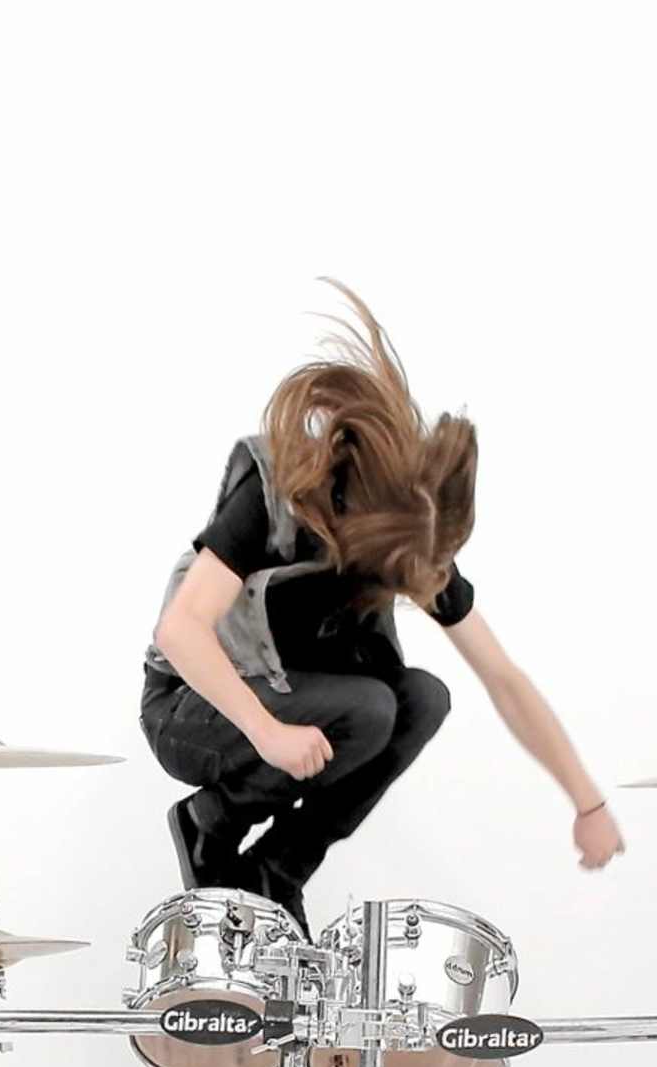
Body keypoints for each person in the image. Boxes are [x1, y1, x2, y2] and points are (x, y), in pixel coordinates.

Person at [143, 288, 622, 923]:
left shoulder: (412, 535)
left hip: (302, 701)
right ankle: (211, 822)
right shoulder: (280, 496)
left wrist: (587, 803)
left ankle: (279, 866)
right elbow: (180, 631)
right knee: (369, 707)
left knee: (423, 698)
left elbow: (502, 677)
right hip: (191, 709)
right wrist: (268, 734)